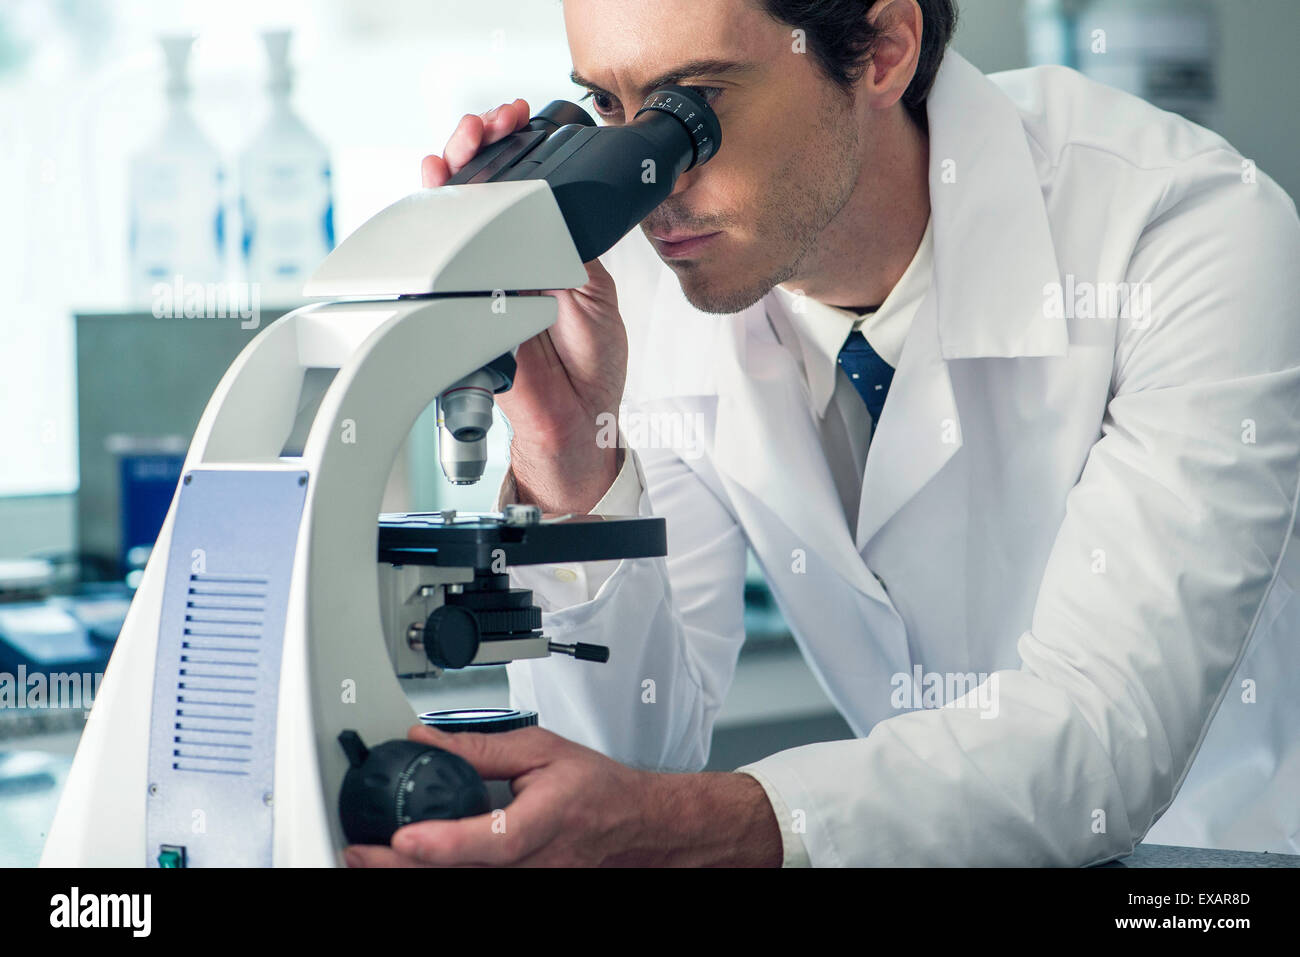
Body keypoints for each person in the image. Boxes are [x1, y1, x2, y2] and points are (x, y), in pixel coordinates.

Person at [347, 0, 1300, 867]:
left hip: (1218, 866)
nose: (648, 181)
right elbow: (620, 766)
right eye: (606, 109)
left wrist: (702, 826)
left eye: (691, 108)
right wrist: (566, 456)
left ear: (884, 51)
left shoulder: (1189, 235)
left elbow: (1103, 735)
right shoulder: (647, 289)